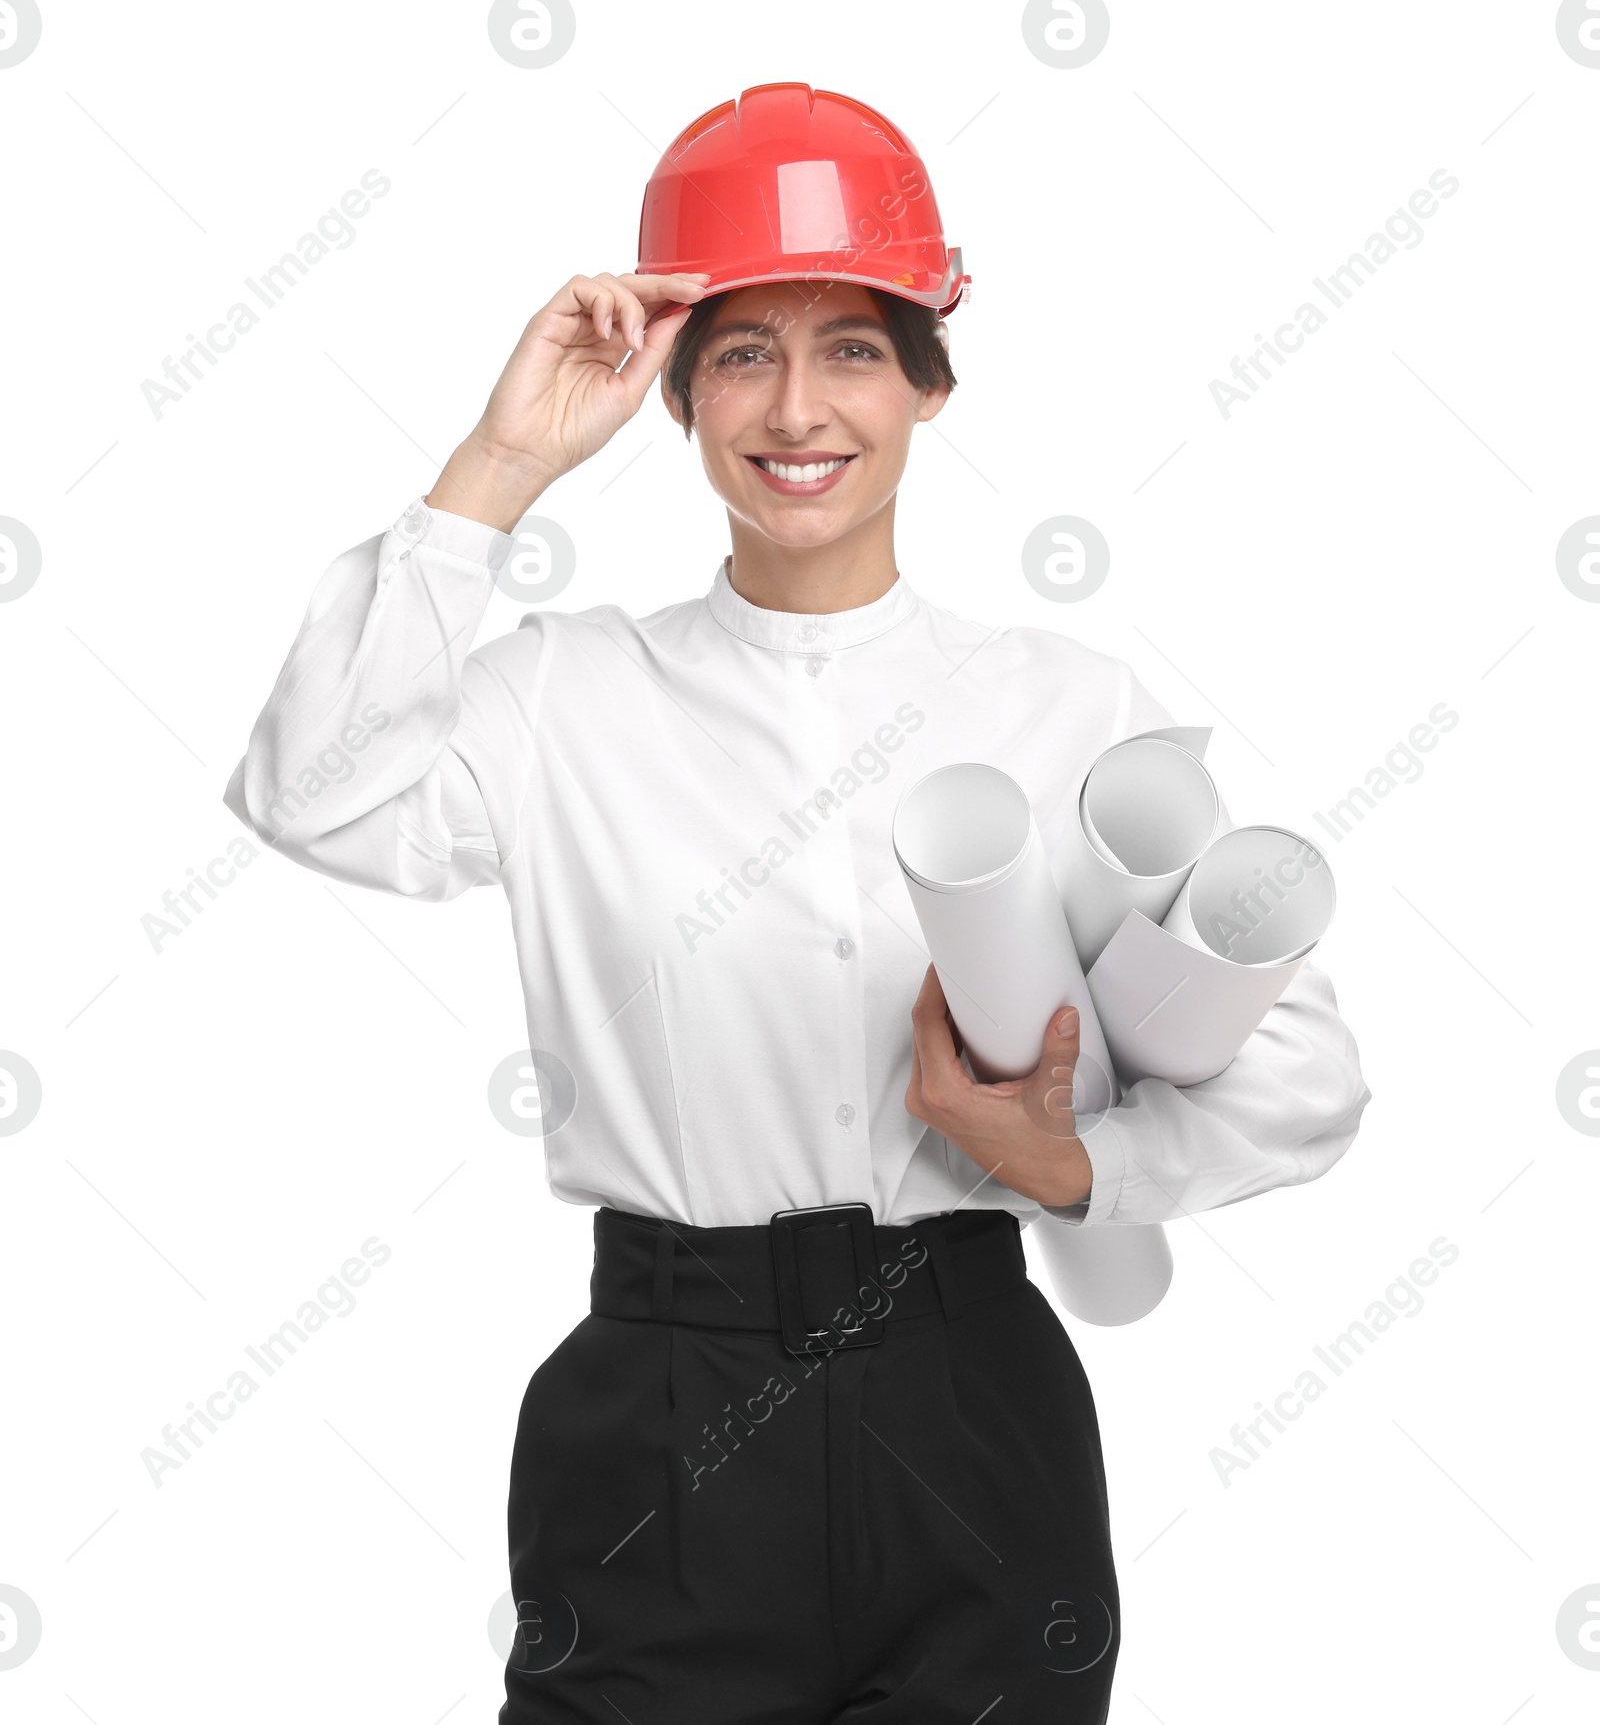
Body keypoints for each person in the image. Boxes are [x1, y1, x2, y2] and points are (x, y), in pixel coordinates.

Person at [224, 83, 1371, 1723]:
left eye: (851, 347)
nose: (797, 406)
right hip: (660, 1421)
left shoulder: (1062, 704)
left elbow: (1305, 1074)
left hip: (975, 1413)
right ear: (676, 397)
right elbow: (306, 793)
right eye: (744, 353)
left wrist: (1084, 1166)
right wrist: (497, 467)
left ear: (928, 383)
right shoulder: (566, 696)